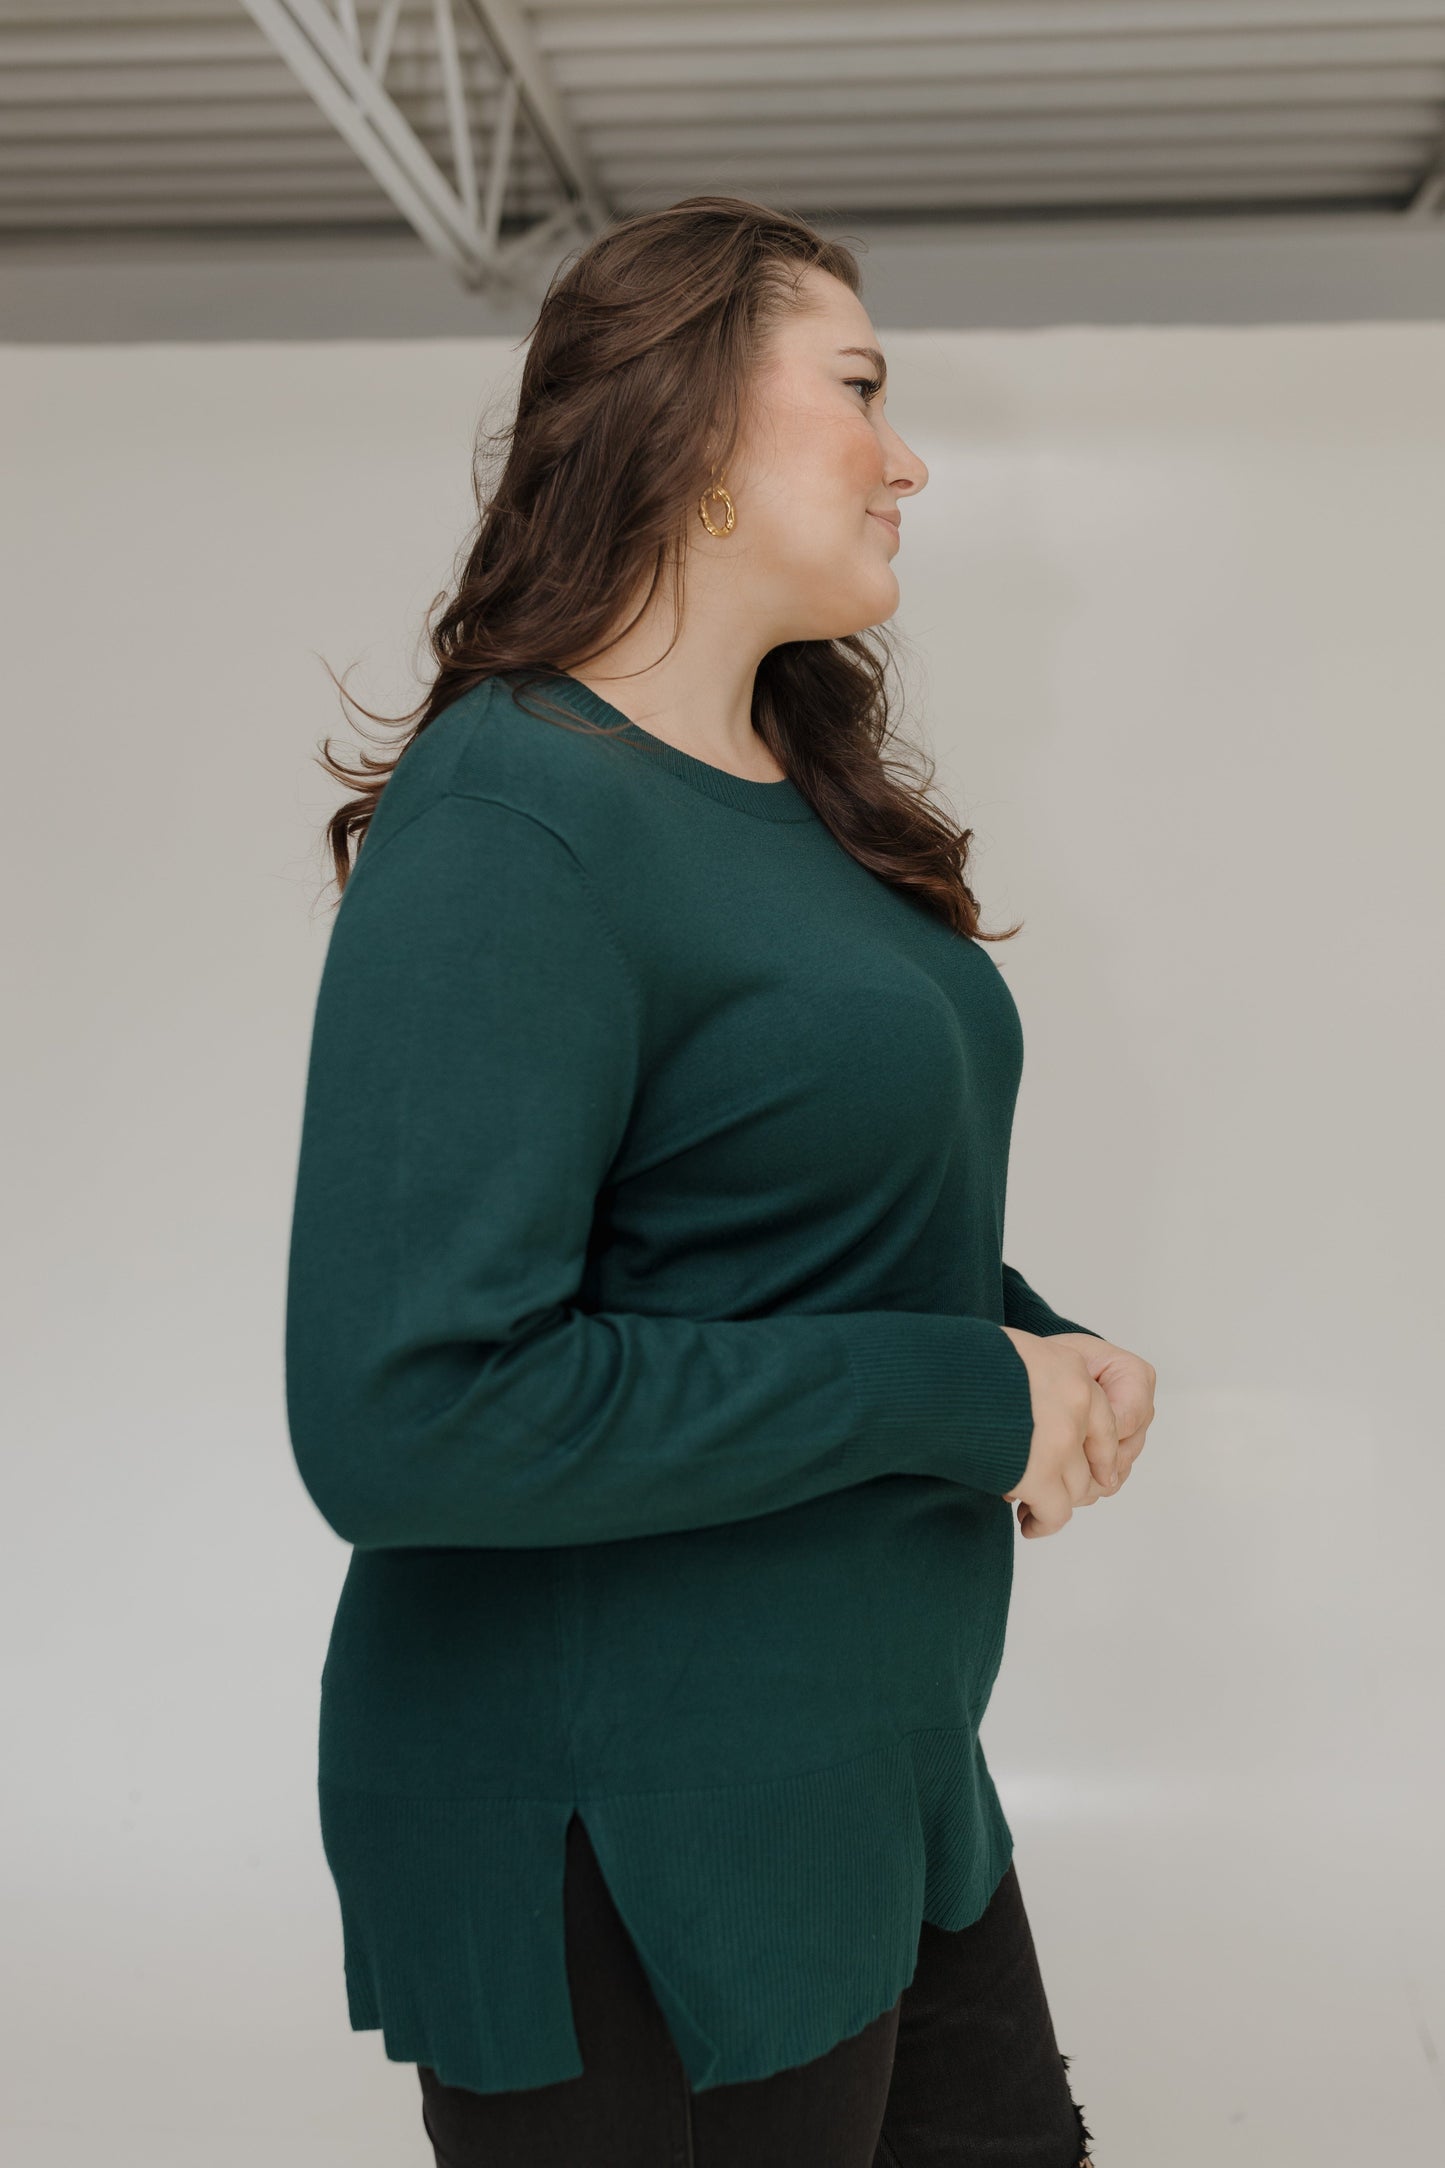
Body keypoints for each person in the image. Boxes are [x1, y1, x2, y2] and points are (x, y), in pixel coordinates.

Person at [284, 193, 1156, 2167]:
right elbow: (410, 1413)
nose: (907, 452)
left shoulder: (795, 803)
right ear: (684, 418)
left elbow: (770, 1216)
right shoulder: (514, 811)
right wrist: (955, 1396)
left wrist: (1031, 1343)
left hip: (878, 1776)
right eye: (857, 386)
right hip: (630, 1835)